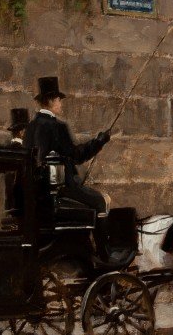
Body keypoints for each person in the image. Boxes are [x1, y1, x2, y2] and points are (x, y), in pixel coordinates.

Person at [24, 76, 111, 226]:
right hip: (60, 188)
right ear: (51, 101)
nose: (61, 104)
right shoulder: (57, 127)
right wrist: (99, 141)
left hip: (37, 191)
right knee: (101, 201)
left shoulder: (31, 126)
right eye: (59, 99)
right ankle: (102, 249)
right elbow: (77, 155)